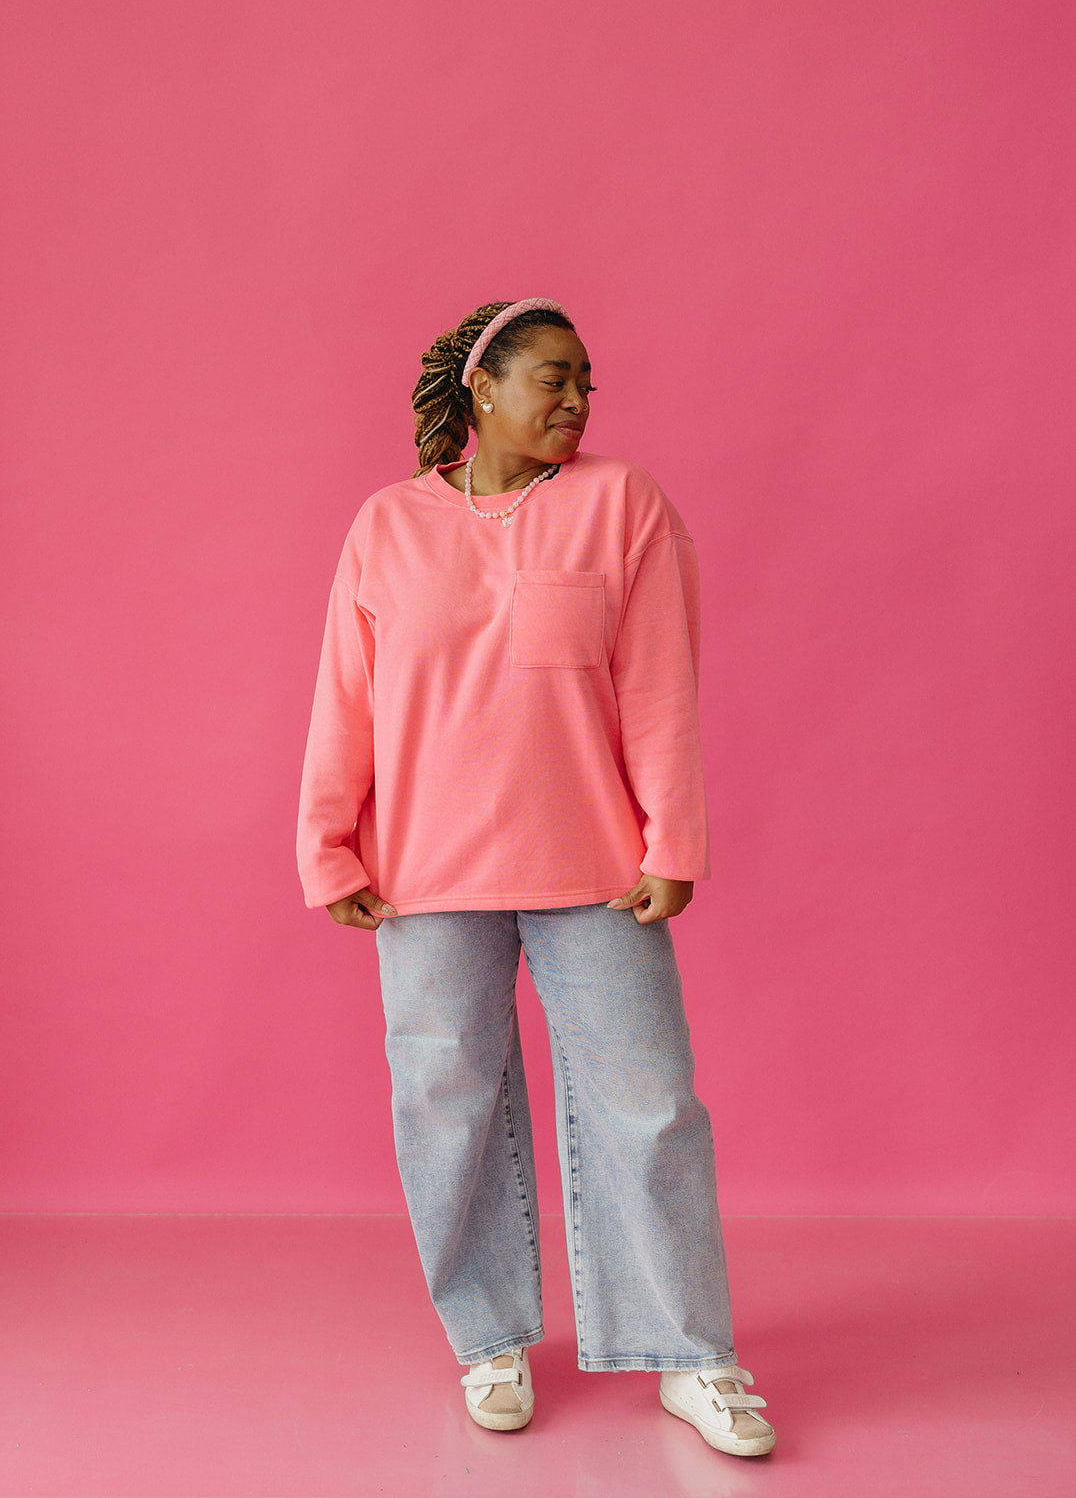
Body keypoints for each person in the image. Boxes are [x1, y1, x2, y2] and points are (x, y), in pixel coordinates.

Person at [296, 298, 776, 1458]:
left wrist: (672, 842)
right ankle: (489, 1338)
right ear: (483, 386)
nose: (575, 401)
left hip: (595, 868)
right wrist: (329, 843)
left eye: (585, 383)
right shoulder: (387, 523)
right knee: (443, 1105)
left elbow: (658, 685)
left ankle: (687, 1352)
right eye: (552, 378)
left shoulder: (622, 505)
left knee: (649, 1106)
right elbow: (346, 695)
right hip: (423, 874)